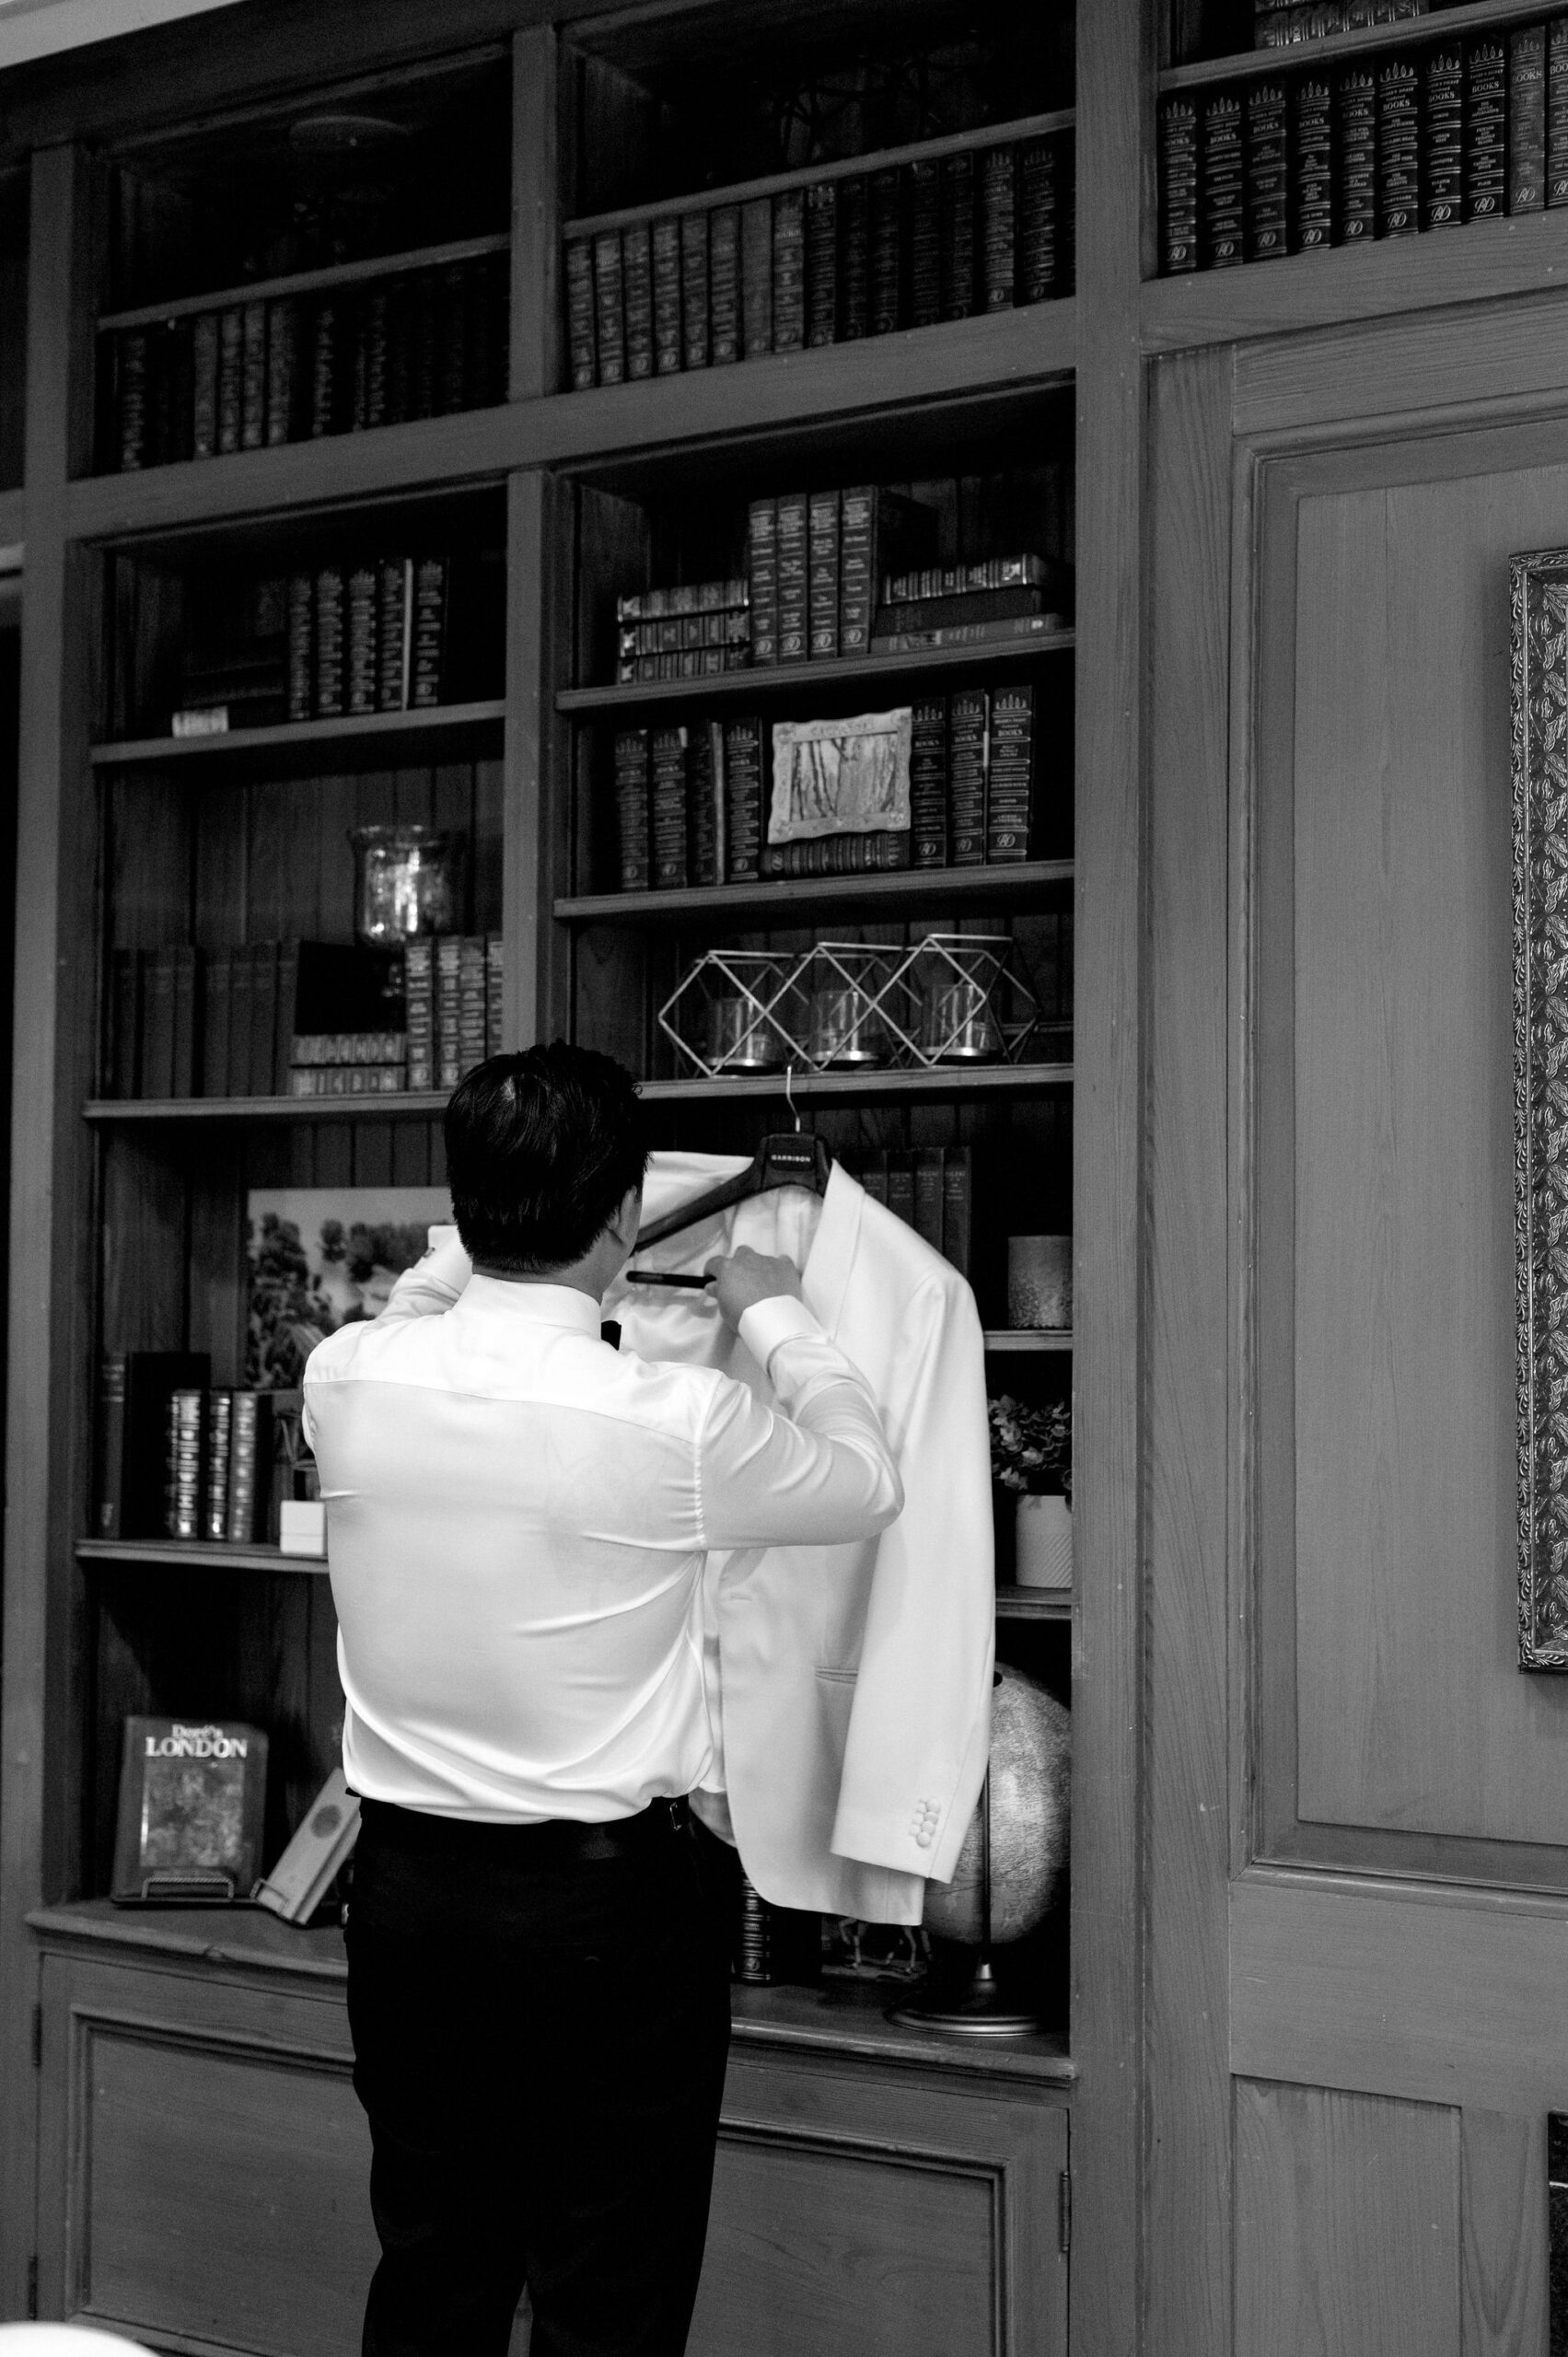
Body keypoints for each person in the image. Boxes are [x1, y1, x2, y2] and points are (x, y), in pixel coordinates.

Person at [302, 1042, 904, 2357]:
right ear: (626, 1215)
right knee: (609, 2301)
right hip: (607, 1919)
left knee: (433, 2268)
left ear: (458, 1202)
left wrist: (465, 1247)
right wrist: (776, 1314)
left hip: (406, 1905)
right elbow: (866, 1482)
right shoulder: (677, 1420)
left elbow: (423, 1303)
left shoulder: (344, 1378)